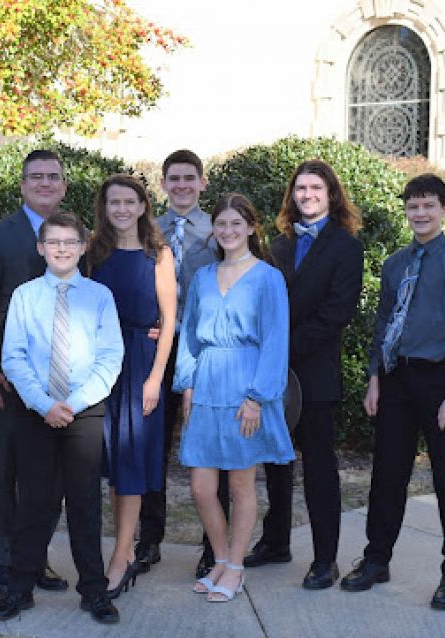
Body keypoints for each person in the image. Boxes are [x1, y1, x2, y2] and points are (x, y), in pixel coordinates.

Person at [341, 174, 445, 611]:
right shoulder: (395, 265)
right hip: (396, 380)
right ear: (406, 210)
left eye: (428, 206)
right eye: (413, 206)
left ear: (443, 209)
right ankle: (376, 559)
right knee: (387, 475)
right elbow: (384, 324)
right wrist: (374, 379)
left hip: (440, 382)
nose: (420, 214)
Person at [0, 212, 124, 624]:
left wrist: (75, 403)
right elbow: (13, 356)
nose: (62, 248)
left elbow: (110, 356)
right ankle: (19, 586)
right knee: (34, 500)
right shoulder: (25, 296)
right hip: (37, 410)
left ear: (83, 246)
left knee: (84, 502)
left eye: (70, 242)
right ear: (41, 248)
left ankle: (94, 590)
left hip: (84, 411)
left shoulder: (99, 296)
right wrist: (43, 404)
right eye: (54, 242)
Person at [245, 160, 364, 590]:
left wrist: (280, 352)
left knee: (317, 467)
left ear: (331, 194)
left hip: (314, 373)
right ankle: (276, 542)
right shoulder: (278, 244)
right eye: (300, 188)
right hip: (272, 375)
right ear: (292, 196)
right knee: (276, 462)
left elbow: (336, 314)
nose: (307, 194)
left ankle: (325, 560)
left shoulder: (346, 246)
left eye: (316, 188)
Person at [174, 193, 294, 603]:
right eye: (220, 224)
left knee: (242, 484)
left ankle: (236, 567)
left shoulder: (267, 277)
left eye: (235, 224)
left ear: (251, 227)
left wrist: (258, 398)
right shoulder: (204, 276)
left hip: (245, 388)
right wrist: (186, 384)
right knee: (202, 488)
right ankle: (221, 559)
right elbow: (188, 334)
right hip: (206, 386)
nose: (227, 231)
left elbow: (276, 341)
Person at [0, 149, 72, 595]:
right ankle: (5, 562)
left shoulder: (73, 235)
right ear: (23, 185)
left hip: (59, 379)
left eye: (53, 177)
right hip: (6, 381)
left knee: (49, 478)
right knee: (5, 473)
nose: (45, 183)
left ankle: (35, 558)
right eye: (36, 177)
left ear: (63, 185)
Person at [139, 149, 226, 579]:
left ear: (202, 182)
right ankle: (148, 539)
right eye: (174, 178)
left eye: (189, 178)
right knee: (152, 445)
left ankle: (213, 546)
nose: (182, 185)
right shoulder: (146, 229)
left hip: (204, 353)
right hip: (158, 350)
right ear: (164, 184)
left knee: (206, 450)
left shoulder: (219, 229)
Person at [88, 175, 176, 597]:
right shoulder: (93, 251)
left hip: (141, 366)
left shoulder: (158, 254)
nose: (121, 209)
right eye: (113, 203)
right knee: (112, 465)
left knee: (134, 465)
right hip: (100, 366)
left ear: (143, 206)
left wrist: (156, 377)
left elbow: (169, 321)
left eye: (129, 201)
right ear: (104, 208)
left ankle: (122, 556)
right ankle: (119, 550)